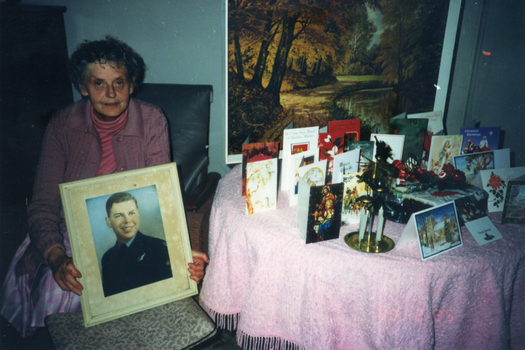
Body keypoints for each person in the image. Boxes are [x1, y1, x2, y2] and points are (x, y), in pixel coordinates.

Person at [0, 36, 209, 337]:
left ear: (131, 84)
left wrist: (181, 252)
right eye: (98, 83)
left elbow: (162, 199)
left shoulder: (152, 121)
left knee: (154, 291)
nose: (111, 94)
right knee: (63, 288)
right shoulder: (62, 125)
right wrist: (57, 257)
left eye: (119, 83)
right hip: (68, 232)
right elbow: (43, 206)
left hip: (133, 237)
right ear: (83, 88)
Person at [101, 192, 173, 297]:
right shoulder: (107, 257)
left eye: (131, 213)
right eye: (119, 215)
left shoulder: (159, 248)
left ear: (138, 214)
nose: (127, 220)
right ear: (109, 222)